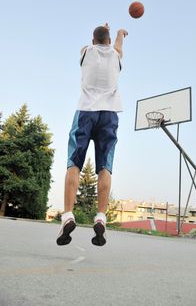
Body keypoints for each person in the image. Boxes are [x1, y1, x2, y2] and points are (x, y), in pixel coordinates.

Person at [56, 23, 128, 247]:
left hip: (86, 112)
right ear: (108, 40)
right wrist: (118, 33)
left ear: (93, 39)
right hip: (109, 115)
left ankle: (68, 214)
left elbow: (95, 43)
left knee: (74, 163)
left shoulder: (86, 52)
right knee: (104, 166)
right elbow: (117, 47)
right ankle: (101, 217)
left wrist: (102, 33)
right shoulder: (116, 56)